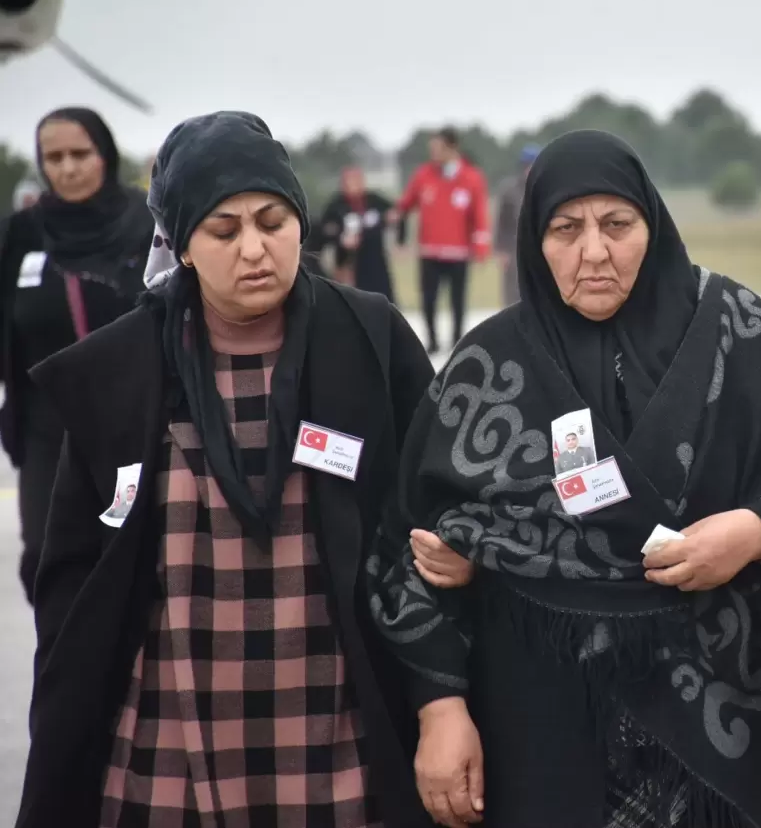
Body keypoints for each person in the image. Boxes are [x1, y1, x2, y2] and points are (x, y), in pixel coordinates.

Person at [367, 129, 761, 828]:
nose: (594, 252)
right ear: (533, 241)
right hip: (539, 735)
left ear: (654, 225)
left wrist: (758, 531)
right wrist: (442, 705)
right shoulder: (490, 366)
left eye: (617, 225)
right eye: (565, 229)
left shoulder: (737, 331)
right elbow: (407, 546)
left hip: (722, 733)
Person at [17, 111, 434, 827]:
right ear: (179, 245)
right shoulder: (118, 370)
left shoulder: (368, 339)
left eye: (273, 221)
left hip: (338, 723)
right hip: (171, 724)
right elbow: (71, 583)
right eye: (223, 230)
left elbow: (431, 510)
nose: (254, 249)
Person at [0, 107, 153, 603]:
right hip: (47, 431)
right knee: (49, 561)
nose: (67, 168)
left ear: (104, 154)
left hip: (137, 429)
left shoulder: (147, 226)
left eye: (79, 154)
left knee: (133, 564)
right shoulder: (22, 234)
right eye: (54, 157)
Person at [395, 127, 491, 353]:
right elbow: (406, 205)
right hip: (429, 251)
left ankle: (458, 340)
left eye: (437, 148)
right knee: (428, 299)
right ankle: (432, 340)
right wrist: (398, 226)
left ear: (452, 147)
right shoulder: (423, 175)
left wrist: (481, 247)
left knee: (458, 300)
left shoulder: (472, 178)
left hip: (458, 252)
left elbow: (479, 215)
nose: (434, 153)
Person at [319, 165, 398, 301]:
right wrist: (341, 237)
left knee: (382, 295)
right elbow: (325, 227)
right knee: (352, 297)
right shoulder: (337, 204)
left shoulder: (373, 200)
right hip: (347, 259)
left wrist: (391, 222)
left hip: (374, 258)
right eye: (350, 181)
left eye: (358, 180)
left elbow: (395, 213)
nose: (355, 185)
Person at [493, 143, 541, 306]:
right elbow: (501, 222)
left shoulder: (546, 188)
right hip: (513, 247)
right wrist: (501, 250)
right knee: (512, 292)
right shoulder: (509, 190)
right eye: (528, 165)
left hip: (541, 247)